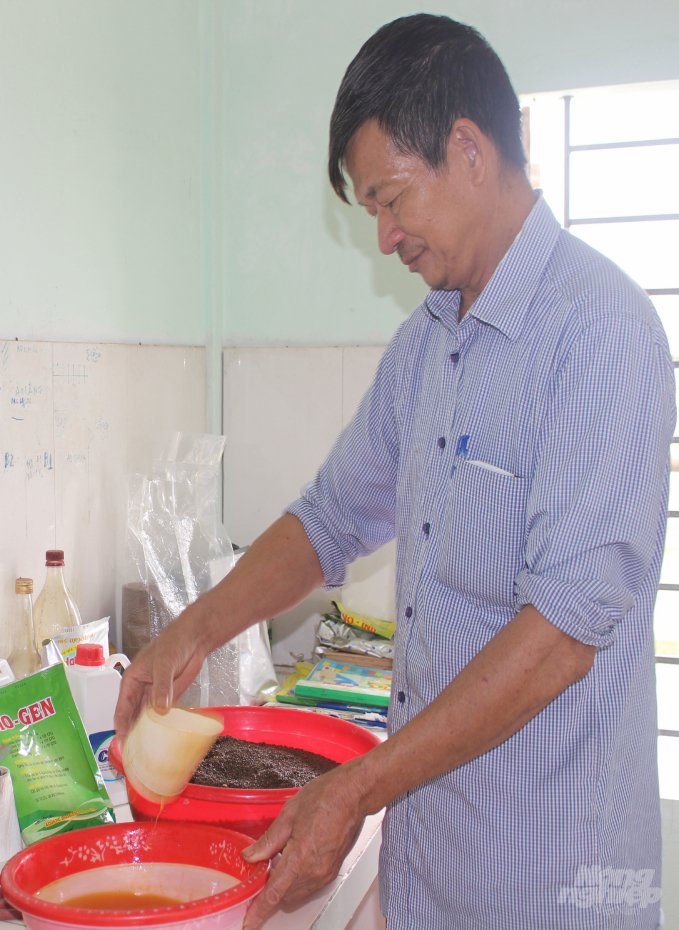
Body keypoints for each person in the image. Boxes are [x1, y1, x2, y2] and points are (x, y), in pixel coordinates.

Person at [115, 14, 676, 930]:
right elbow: (331, 519)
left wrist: (353, 790)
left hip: (548, 880)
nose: (383, 237)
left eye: (390, 199)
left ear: (467, 149)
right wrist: (193, 632)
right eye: (369, 210)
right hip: (429, 863)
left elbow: (559, 638)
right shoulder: (427, 346)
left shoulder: (599, 333)